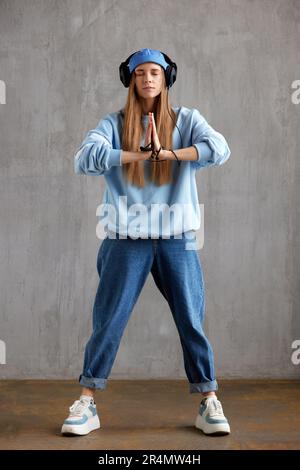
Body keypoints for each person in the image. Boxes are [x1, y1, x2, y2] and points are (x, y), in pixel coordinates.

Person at [61, 48, 231, 436]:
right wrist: (134, 155)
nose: (148, 79)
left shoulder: (187, 120)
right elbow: (84, 158)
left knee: (191, 320)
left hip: (177, 239)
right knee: (108, 322)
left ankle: (208, 401)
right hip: (126, 239)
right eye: (140, 73)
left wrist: (168, 153)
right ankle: (87, 403)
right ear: (130, 79)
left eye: (155, 72)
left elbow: (219, 149)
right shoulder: (113, 123)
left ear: (166, 77)